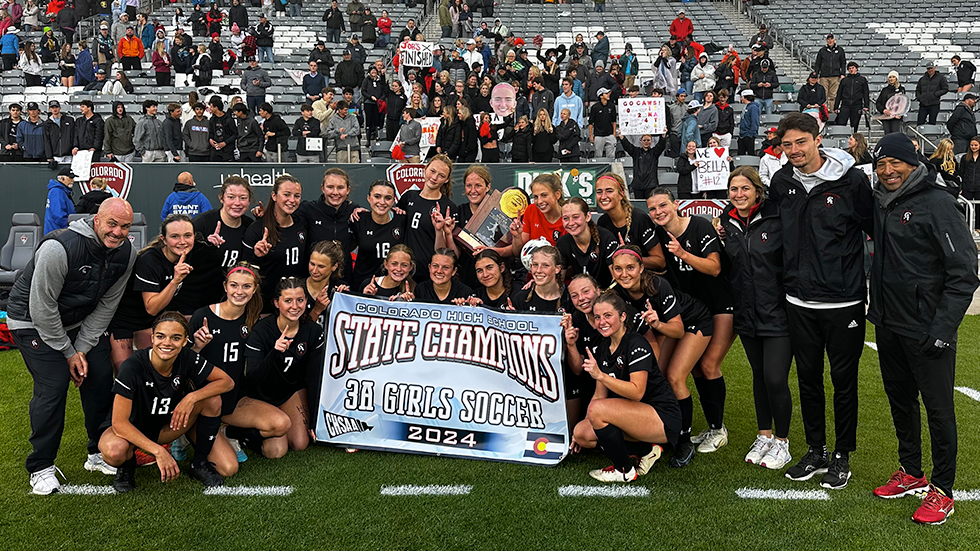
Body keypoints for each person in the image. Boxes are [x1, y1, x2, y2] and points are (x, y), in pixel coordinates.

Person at [868, 133, 979, 525]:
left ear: (912, 162)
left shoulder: (938, 203)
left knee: (938, 410)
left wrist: (943, 329)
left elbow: (964, 274)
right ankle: (911, 472)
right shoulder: (882, 202)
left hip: (928, 328)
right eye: (880, 165)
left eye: (894, 163)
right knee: (901, 402)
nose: (887, 171)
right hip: (889, 323)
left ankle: (943, 490)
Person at [768, 112, 873, 489]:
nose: (794, 150)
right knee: (809, 380)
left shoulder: (852, 180)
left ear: (818, 138)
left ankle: (842, 453)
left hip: (842, 302)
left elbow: (874, 229)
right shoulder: (782, 181)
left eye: (801, 142)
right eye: (787, 145)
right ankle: (816, 449)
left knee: (843, 382)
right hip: (798, 301)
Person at [9, 198, 136, 495]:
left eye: (125, 226)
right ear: (96, 221)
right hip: (31, 320)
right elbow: (42, 309)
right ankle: (41, 467)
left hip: (77, 324)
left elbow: (107, 305)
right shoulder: (59, 247)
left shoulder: (126, 253)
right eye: (112, 224)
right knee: (53, 387)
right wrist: (69, 353)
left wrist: (81, 347)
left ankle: (97, 452)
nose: (118, 232)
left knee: (101, 375)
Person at [99, 311, 234, 492]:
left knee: (228, 465)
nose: (167, 343)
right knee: (114, 451)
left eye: (176, 338)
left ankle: (199, 463)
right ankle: (127, 466)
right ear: (152, 338)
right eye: (161, 336)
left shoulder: (187, 357)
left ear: (185, 341)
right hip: (133, 430)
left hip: (169, 427)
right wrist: (159, 450)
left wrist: (191, 397)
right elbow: (119, 423)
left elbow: (227, 382)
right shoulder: (133, 366)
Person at [608, 246, 712, 468]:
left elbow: (678, 330)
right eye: (618, 269)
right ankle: (660, 431)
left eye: (630, 268)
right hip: (663, 328)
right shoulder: (615, 292)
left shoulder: (657, 285)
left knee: (675, 377)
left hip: (692, 322)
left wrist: (657, 324)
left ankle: (684, 441)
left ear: (641, 268)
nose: (624, 274)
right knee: (657, 376)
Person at [649, 187, 734, 454]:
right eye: (652, 209)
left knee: (708, 365)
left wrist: (683, 253)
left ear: (676, 204)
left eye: (663, 205)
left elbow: (715, 267)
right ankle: (710, 427)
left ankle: (718, 429)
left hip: (721, 304)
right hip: (692, 309)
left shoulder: (698, 226)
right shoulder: (661, 235)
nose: (658, 212)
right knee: (695, 369)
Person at [720, 167, 793, 469]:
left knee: (776, 378)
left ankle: (783, 442)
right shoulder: (727, 223)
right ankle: (764, 435)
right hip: (746, 313)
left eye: (745, 189)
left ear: (758, 191)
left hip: (778, 313)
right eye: (734, 189)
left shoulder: (776, 218)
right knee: (760, 377)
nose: (739, 195)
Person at [573, 290, 680, 482]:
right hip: (633, 414)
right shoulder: (602, 348)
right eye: (597, 317)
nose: (601, 322)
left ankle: (624, 470)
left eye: (607, 316)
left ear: (623, 316)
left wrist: (601, 376)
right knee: (582, 433)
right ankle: (647, 450)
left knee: (598, 410)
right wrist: (589, 420)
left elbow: (637, 392)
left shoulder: (636, 342)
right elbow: (599, 396)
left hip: (662, 416)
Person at [557, 198, 618, 289]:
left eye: (576, 217)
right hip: (580, 296)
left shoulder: (606, 238)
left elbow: (616, 278)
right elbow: (558, 279)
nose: (571, 223)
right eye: (566, 218)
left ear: (588, 216)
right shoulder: (563, 243)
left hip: (606, 295)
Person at [834, 62, 869, 133]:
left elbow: (866, 93)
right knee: (841, 124)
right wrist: (836, 106)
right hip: (845, 105)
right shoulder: (844, 80)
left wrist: (866, 105)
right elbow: (839, 93)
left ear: (856, 69)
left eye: (853, 68)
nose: (851, 70)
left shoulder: (862, 80)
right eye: (849, 68)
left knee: (854, 125)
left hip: (857, 105)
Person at [815, 34, 846, 111]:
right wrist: (816, 73)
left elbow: (843, 62)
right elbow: (818, 63)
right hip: (824, 76)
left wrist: (842, 73)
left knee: (833, 95)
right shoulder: (822, 50)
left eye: (831, 39)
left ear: (834, 40)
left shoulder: (840, 50)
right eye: (828, 39)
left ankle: (832, 110)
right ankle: (824, 112)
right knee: (823, 95)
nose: (830, 40)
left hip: (835, 76)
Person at [44, 167, 76, 234]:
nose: (72, 180)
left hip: (58, 232)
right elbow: (58, 215)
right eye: (70, 178)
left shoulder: (61, 191)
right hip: (58, 233)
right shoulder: (57, 191)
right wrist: (70, 229)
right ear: (62, 178)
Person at [875, 71, 907, 136]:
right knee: (887, 134)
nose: (891, 79)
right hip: (886, 117)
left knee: (895, 134)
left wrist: (900, 114)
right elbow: (878, 103)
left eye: (893, 77)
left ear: (896, 78)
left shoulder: (902, 89)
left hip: (896, 117)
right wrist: (883, 110)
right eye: (890, 77)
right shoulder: (884, 90)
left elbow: (903, 104)